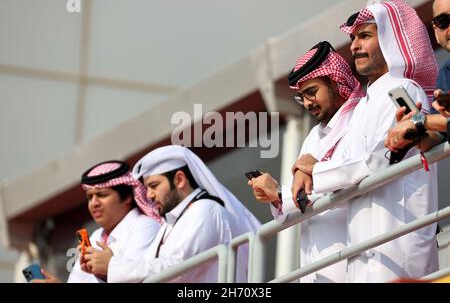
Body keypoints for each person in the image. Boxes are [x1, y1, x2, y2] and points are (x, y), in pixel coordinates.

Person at [292, 0, 439, 282]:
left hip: (399, 247)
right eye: (353, 38)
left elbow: (375, 161)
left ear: (389, 38)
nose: (355, 46)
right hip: (362, 255)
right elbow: (346, 164)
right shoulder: (362, 108)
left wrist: (315, 169)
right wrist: (308, 168)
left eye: (365, 36)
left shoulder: (405, 90)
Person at [248, 42, 364, 283]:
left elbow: (353, 175)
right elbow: (300, 199)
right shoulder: (313, 138)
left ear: (335, 82)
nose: (308, 103)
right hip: (316, 267)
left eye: (312, 92)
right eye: (302, 97)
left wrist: (288, 190)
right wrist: (277, 197)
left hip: (356, 260)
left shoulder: (361, 119)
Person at [82, 145, 260, 283]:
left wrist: (112, 266)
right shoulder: (169, 225)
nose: (149, 195)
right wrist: (104, 270)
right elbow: (148, 272)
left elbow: (177, 270)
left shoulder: (205, 209)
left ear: (180, 180)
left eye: (154, 186)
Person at [34, 160, 162, 283]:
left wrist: (109, 267)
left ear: (127, 197)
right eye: (90, 197)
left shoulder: (145, 226)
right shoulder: (95, 236)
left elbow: (137, 278)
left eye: (102, 195)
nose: (94, 203)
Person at [385, 0, 450, 150]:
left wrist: (422, 121)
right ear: (436, 30)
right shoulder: (446, 73)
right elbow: (441, 134)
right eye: (443, 21)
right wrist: (415, 136)